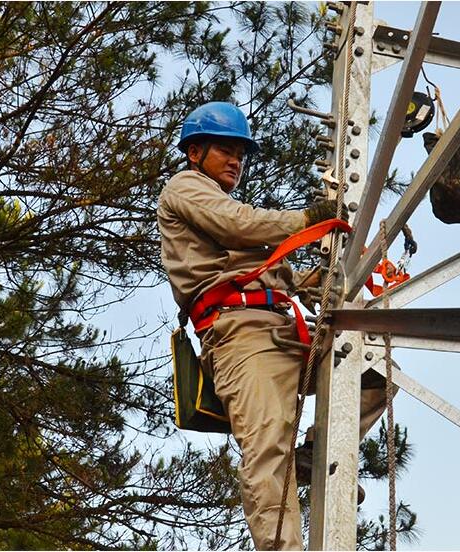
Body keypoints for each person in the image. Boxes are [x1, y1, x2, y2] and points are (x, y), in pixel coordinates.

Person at [157, 102, 387, 550]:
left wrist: (331, 278)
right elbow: (237, 225)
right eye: (225, 150)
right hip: (241, 340)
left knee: (373, 368)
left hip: (284, 330)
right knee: (266, 454)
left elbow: (279, 275)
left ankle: (313, 455)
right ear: (194, 152)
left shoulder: (237, 218)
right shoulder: (185, 188)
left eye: (240, 153)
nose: (235, 160)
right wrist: (305, 221)